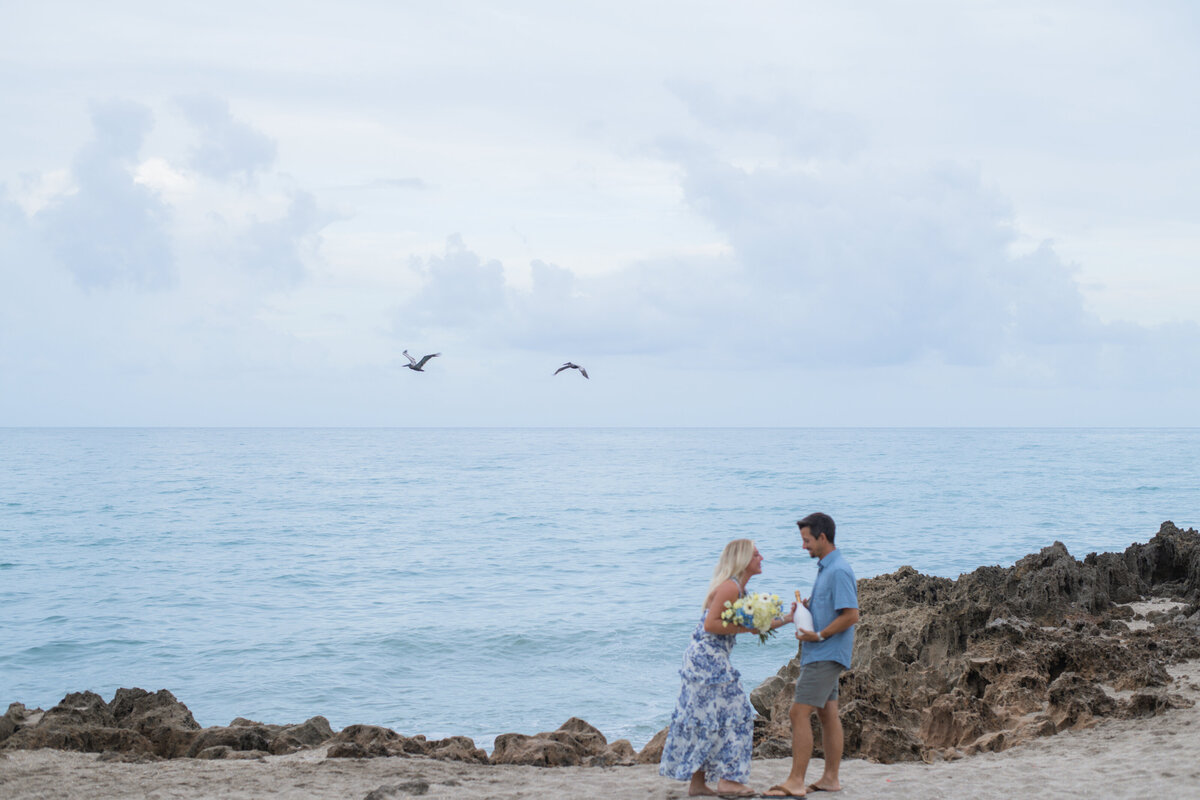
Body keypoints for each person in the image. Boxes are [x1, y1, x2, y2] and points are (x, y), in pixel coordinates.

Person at [660, 539, 795, 797]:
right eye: (756, 554)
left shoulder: (739, 590)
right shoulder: (730, 587)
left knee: (705, 719)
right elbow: (711, 625)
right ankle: (730, 781)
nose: (762, 558)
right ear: (743, 559)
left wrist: (788, 618)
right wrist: (746, 627)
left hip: (706, 657)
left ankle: (698, 784)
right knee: (741, 715)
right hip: (707, 659)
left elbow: (755, 627)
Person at [764, 513, 859, 799]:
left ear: (822, 537)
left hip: (824, 653)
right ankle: (831, 778)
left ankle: (796, 781)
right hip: (823, 652)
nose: (803, 546)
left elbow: (851, 614)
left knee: (798, 712)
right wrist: (797, 613)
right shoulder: (826, 569)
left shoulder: (838, 570)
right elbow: (827, 610)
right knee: (828, 713)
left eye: (806, 540)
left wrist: (818, 636)